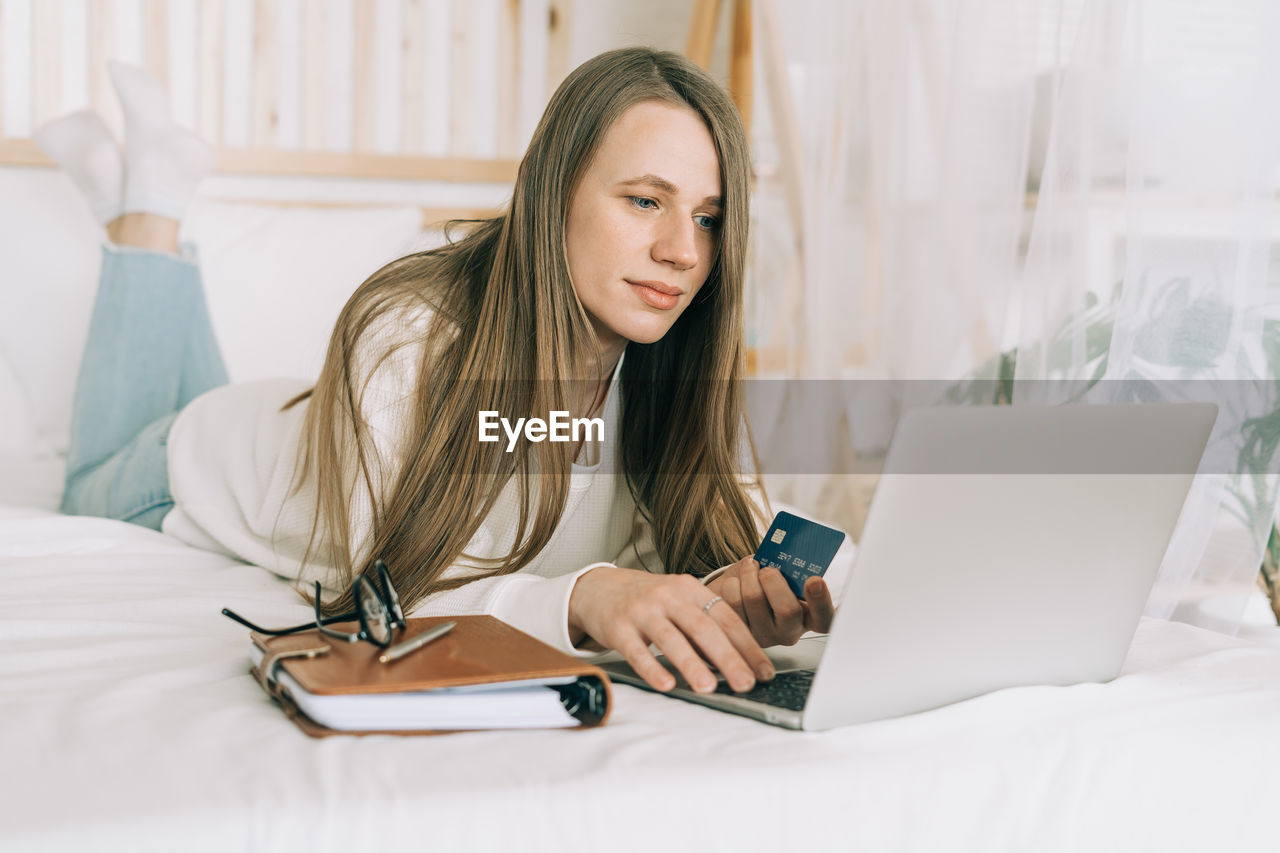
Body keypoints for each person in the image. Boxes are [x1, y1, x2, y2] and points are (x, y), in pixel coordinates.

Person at [40, 47, 835, 697]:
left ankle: (133, 197)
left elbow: (710, 529)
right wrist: (586, 595)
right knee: (85, 488)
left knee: (203, 396)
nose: (684, 252)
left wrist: (725, 593)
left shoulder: (673, 367)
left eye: (708, 216)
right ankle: (148, 206)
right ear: (549, 192)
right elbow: (384, 592)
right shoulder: (408, 334)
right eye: (642, 201)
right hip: (193, 464)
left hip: (288, 424)